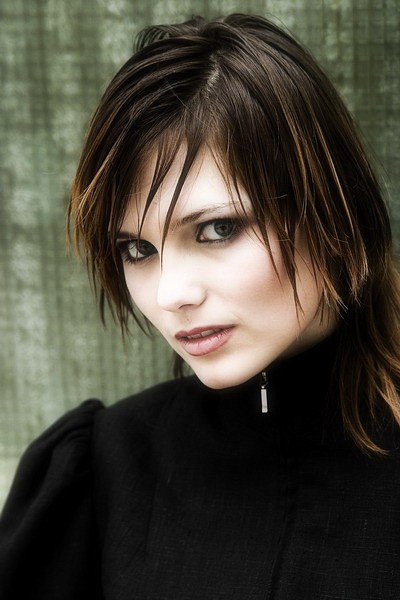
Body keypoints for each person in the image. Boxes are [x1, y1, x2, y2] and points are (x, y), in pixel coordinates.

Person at [1, 12, 400, 600]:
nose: (170, 295)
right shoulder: (106, 466)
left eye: (217, 229)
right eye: (137, 249)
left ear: (331, 211)